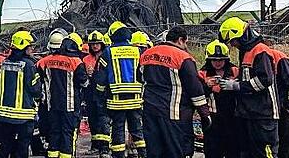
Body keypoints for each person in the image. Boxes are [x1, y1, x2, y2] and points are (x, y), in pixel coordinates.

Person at [140, 26, 211, 158]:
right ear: (180, 40)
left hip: (150, 112)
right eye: (186, 43)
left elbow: (141, 79)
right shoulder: (183, 57)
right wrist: (204, 113)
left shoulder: (146, 55)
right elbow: (195, 88)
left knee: (154, 150)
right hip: (174, 114)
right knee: (176, 151)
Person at [218, 17, 280, 158]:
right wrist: (233, 81)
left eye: (233, 41)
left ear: (241, 35)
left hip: (264, 113)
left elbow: (265, 80)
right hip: (250, 112)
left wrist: (236, 86)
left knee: (265, 153)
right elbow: (248, 77)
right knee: (250, 152)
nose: (233, 45)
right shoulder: (246, 51)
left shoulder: (260, 51)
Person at [95, 21, 145, 158]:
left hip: (116, 101)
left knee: (118, 128)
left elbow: (101, 77)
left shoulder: (108, 52)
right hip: (135, 99)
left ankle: (118, 155)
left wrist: (99, 95)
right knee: (137, 129)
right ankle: (143, 154)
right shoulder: (137, 51)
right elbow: (142, 74)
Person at [37, 32, 88, 158]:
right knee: (67, 134)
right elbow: (84, 82)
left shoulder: (45, 61)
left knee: (54, 133)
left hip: (52, 104)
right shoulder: (76, 61)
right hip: (69, 106)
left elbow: (38, 78)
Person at [0, 30, 42, 158]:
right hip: (23, 114)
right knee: (22, 147)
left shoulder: (4, 63)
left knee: (5, 145)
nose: (32, 49)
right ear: (24, 46)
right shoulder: (28, 65)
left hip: (4, 114)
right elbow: (35, 89)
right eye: (30, 46)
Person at [198, 40, 240, 158]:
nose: (218, 63)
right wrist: (207, 86)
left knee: (234, 151)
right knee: (212, 152)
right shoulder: (202, 73)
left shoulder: (235, 71)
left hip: (233, 119)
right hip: (212, 121)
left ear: (226, 59)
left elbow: (243, 89)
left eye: (221, 59)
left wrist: (233, 85)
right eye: (214, 60)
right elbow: (196, 94)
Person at [267, 47, 289, 158]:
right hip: (265, 111)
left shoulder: (279, 58)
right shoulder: (251, 57)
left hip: (282, 111)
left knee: (286, 145)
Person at [84, 31, 111, 157]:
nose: (95, 46)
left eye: (97, 43)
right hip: (90, 91)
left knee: (103, 119)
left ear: (102, 44)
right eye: (92, 44)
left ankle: (105, 147)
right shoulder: (86, 59)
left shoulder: (106, 56)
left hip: (103, 92)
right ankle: (95, 145)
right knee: (92, 118)